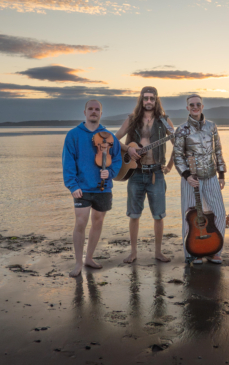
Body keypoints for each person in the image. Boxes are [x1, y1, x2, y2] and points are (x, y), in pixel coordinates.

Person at [115, 86, 176, 263]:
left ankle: (158, 252)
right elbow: (114, 140)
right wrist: (128, 149)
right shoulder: (132, 119)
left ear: (156, 100)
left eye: (152, 98)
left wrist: (169, 166)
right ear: (141, 100)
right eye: (146, 98)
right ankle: (133, 253)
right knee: (134, 215)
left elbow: (178, 143)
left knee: (158, 216)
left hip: (156, 173)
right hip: (135, 173)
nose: (149, 101)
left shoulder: (164, 120)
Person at [62, 99, 122, 277]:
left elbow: (117, 159)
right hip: (81, 188)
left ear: (101, 113)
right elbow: (68, 162)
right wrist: (72, 185)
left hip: (103, 187)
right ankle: (78, 263)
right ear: (85, 112)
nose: (93, 111)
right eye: (90, 109)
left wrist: (110, 172)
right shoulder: (73, 135)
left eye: (97, 109)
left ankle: (89, 258)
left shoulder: (109, 136)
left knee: (98, 222)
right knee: (81, 222)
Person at [173, 94, 227, 265]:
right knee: (189, 216)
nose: (195, 107)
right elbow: (177, 156)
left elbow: (218, 150)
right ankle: (192, 253)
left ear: (202, 106)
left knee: (219, 213)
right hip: (191, 179)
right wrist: (186, 176)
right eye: (192, 105)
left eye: (198, 104)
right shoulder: (181, 130)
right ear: (187, 108)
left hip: (211, 176)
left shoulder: (212, 126)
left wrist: (221, 174)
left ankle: (215, 251)